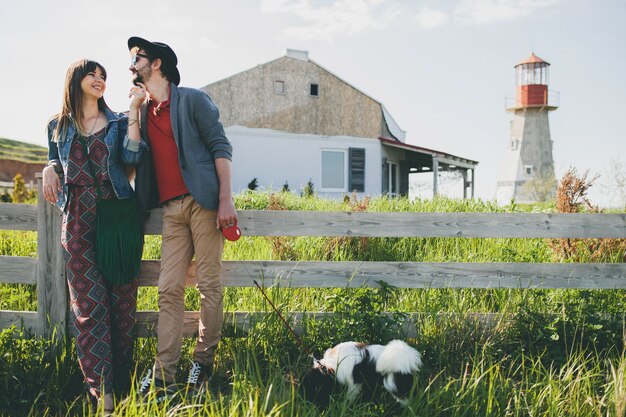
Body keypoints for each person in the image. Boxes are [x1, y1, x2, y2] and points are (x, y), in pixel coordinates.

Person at [126, 37, 237, 400]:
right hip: (171, 210)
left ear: (156, 64)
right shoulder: (141, 111)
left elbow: (221, 146)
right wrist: (132, 111)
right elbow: (130, 159)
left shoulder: (192, 99)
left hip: (204, 203)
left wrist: (225, 200)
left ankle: (201, 365)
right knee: (168, 288)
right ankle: (163, 374)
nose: (131, 63)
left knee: (208, 284)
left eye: (136, 57)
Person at [42, 59, 146, 412]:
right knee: (88, 309)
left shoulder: (117, 122)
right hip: (78, 223)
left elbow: (132, 157)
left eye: (103, 76)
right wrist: (47, 169)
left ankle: (124, 383)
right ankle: (104, 394)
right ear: (75, 79)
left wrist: (133, 111)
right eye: (93, 74)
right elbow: (55, 162)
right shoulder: (57, 126)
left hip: (118, 220)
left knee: (121, 307)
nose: (100, 79)